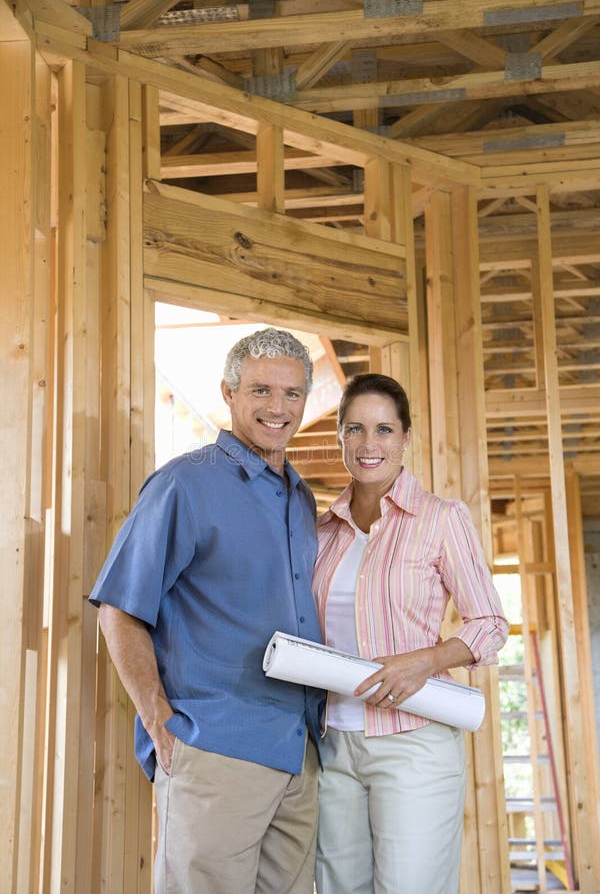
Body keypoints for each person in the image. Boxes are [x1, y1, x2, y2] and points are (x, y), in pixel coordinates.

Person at [89, 327, 325, 894]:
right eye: (261, 390)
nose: (278, 407)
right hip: (217, 747)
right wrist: (158, 720)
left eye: (292, 394)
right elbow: (119, 610)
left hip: (299, 754)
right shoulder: (184, 484)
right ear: (229, 392)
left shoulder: (301, 497)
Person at [312, 373, 509, 894]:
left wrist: (423, 661)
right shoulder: (321, 531)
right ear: (339, 436)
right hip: (332, 746)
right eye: (354, 429)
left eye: (383, 429)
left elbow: (489, 623)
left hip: (413, 742)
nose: (369, 444)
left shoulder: (441, 519)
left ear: (405, 438)